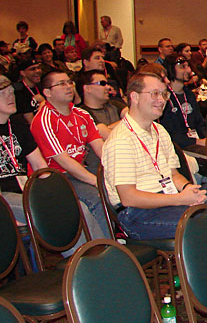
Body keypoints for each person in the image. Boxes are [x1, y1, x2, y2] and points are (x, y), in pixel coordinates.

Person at [102, 72, 207, 240]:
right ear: (135, 97)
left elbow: (173, 174)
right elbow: (128, 198)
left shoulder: (159, 131)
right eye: (155, 93)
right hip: (139, 214)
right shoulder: (121, 140)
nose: (161, 100)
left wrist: (188, 189)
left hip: (170, 198)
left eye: (164, 94)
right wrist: (179, 199)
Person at [30, 69, 107, 238]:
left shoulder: (82, 114)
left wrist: (115, 174)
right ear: (47, 92)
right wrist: (96, 181)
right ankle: (108, 244)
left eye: (69, 82)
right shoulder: (43, 120)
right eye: (61, 84)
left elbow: (100, 148)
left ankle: (125, 233)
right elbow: (64, 161)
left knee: (120, 185)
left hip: (79, 170)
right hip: (56, 177)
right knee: (97, 197)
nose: (68, 87)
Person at [0, 75, 47, 224]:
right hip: (4, 194)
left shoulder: (18, 124)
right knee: (44, 211)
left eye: (11, 91)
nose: (10, 96)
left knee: (74, 205)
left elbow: (39, 164)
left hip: (26, 189)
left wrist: (51, 190)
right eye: (3, 93)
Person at [159, 54, 207, 155]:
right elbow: (170, 133)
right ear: (171, 70)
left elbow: (200, 123)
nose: (189, 70)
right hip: (179, 146)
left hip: (196, 141)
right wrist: (197, 142)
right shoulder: (165, 98)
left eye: (188, 66)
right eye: (182, 67)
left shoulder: (189, 95)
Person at [76, 69, 125, 141]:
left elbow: (136, 119)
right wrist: (125, 123)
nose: (108, 87)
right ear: (87, 88)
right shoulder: (82, 113)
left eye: (107, 83)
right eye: (102, 83)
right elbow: (109, 137)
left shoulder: (114, 104)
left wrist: (108, 127)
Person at [13, 56, 44, 124]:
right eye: (33, 69)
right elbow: (31, 122)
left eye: (38, 68)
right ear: (23, 73)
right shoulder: (18, 91)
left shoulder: (41, 86)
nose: (38, 71)